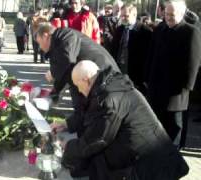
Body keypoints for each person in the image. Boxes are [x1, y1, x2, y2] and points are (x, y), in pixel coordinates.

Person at [53, 60, 189, 180]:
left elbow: (97, 140)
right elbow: (89, 116)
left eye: (77, 85)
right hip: (152, 160)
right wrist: (67, 124)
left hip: (149, 167)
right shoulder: (111, 85)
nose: (79, 90)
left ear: (86, 80)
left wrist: (68, 146)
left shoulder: (109, 99)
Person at [35, 22, 119, 147]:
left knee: (96, 117)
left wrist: (53, 74)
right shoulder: (59, 45)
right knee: (83, 110)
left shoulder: (64, 35)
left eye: (38, 42)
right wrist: (55, 92)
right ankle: (82, 149)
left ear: (46, 35)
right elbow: (66, 72)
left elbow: (66, 61)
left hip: (103, 78)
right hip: (90, 80)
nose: (40, 48)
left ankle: (84, 150)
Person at [146, 0, 201, 149]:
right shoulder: (160, 29)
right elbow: (151, 55)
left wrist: (186, 89)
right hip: (156, 89)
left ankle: (173, 157)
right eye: (166, 14)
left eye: (172, 14)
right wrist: (148, 78)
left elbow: (193, 63)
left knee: (174, 128)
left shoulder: (191, 32)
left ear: (182, 14)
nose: (168, 17)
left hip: (176, 93)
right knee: (157, 125)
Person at [111, 3, 152, 93]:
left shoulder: (145, 32)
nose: (123, 18)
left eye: (126, 16)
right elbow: (113, 49)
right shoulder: (119, 29)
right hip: (118, 69)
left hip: (135, 75)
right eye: (121, 16)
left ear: (134, 15)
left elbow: (147, 57)